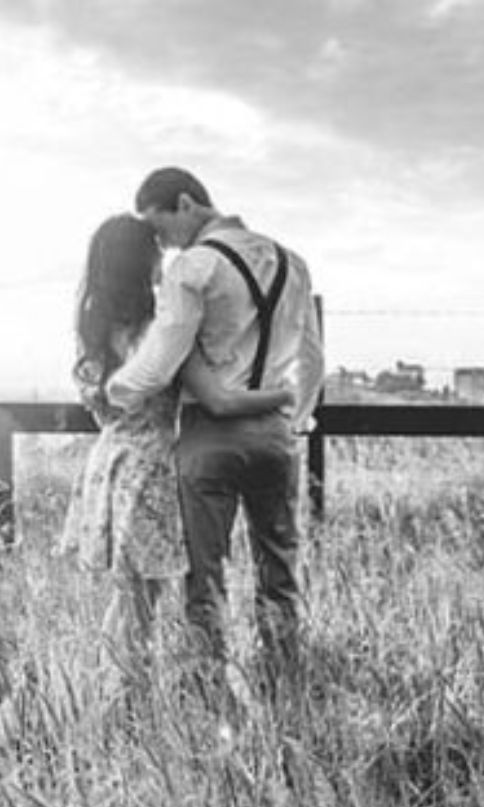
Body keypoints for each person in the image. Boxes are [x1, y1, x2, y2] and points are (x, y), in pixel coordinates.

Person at [105, 167, 324, 691]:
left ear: (186, 204)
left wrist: (115, 392)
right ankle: (283, 682)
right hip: (275, 435)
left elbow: (160, 362)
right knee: (280, 568)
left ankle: (211, 690)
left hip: (209, 438)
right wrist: (295, 419)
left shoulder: (193, 267)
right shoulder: (293, 262)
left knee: (206, 577)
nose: (160, 243)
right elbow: (312, 359)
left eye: (160, 228)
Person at [59, 214, 292, 691]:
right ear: (142, 261)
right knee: (139, 604)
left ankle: (117, 696)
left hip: (112, 461)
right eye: (155, 254)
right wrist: (283, 395)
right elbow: (220, 399)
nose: (163, 262)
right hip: (152, 469)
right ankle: (120, 701)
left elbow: (102, 405)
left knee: (132, 600)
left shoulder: (95, 328)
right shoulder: (160, 333)